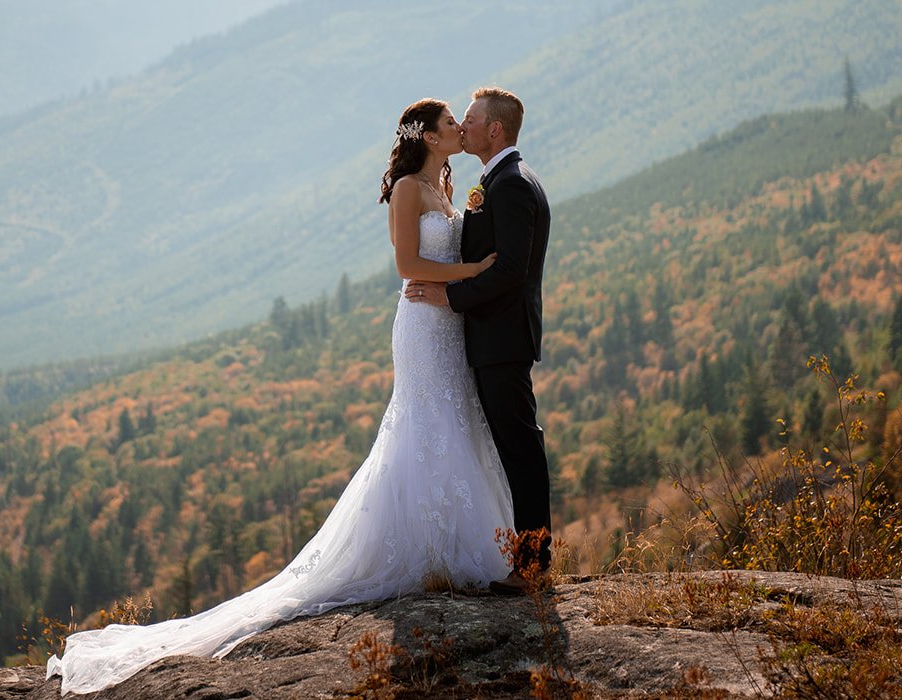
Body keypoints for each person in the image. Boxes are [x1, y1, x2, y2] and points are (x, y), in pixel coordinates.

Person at [45, 98, 513, 695]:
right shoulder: (406, 191)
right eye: (450, 123)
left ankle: (454, 547)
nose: (458, 129)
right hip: (423, 325)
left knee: (455, 419)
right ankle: (427, 552)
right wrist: (473, 275)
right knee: (424, 424)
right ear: (424, 133)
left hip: (448, 320)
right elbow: (405, 264)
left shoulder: (444, 184)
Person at [405, 86, 552, 590]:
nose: (462, 128)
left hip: (502, 337)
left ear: (495, 130)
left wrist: (452, 298)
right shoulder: (499, 180)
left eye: (469, 120)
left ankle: (532, 566)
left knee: (520, 449)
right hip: (490, 337)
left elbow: (510, 270)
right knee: (509, 448)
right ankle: (523, 559)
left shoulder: (510, 184)